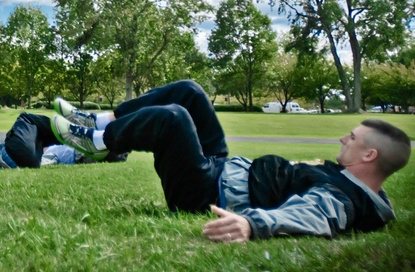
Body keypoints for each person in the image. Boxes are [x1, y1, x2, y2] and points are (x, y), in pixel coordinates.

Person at [49, 82, 411, 242]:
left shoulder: (345, 200)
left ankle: (99, 143)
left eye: (351, 138)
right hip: (224, 167)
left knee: (173, 117)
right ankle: (99, 122)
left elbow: (309, 216)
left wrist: (253, 226)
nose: (342, 139)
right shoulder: (358, 185)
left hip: (207, 191)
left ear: (370, 155)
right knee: (189, 92)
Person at [0, 112, 125, 173]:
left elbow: (52, 156)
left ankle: (108, 144)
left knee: (50, 139)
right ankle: (81, 126)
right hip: (16, 153)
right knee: (27, 119)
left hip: (32, 158)